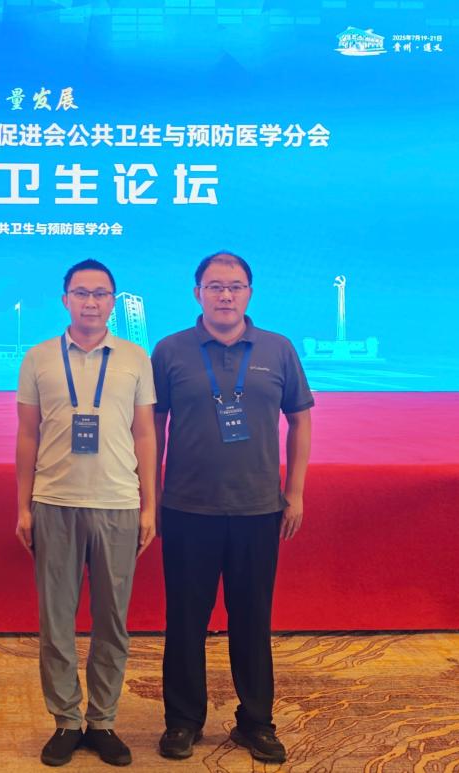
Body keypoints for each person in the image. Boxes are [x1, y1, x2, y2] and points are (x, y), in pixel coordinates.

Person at [152, 251, 313, 764]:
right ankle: (183, 721)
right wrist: (150, 495)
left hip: (258, 509)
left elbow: (300, 420)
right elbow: (153, 426)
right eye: (215, 286)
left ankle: (256, 721)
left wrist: (295, 492)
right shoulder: (170, 350)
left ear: (249, 293)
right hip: (187, 508)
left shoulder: (277, 348)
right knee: (185, 620)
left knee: (252, 620)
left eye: (235, 286)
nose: (225, 294)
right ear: (197, 292)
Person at [15, 259, 157, 767]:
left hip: (118, 502)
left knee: (112, 621)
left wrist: (149, 505)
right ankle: (65, 721)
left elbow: (145, 434)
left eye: (100, 294)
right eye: (81, 293)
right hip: (54, 502)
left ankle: (103, 721)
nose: (91, 302)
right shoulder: (38, 358)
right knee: (56, 622)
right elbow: (27, 435)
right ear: (65, 300)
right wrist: (23, 505)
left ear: (112, 302)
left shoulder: (135, 358)